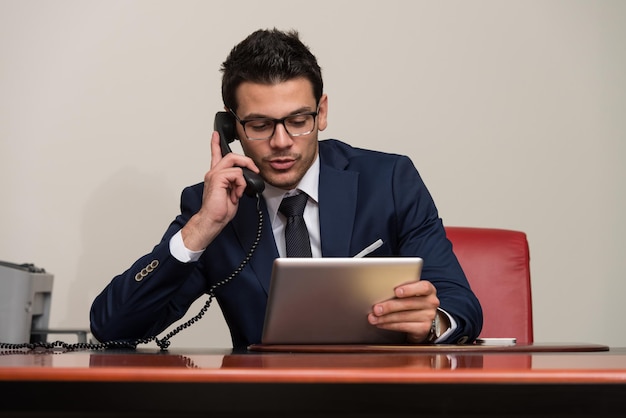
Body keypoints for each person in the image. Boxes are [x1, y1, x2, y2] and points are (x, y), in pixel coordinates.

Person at [90, 28, 482, 350]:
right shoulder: (211, 206)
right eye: (260, 125)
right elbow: (113, 326)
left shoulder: (390, 181)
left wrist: (431, 322)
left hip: (377, 399)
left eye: (298, 120)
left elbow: (462, 303)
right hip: (267, 402)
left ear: (322, 112)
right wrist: (200, 229)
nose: (281, 142)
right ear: (231, 127)